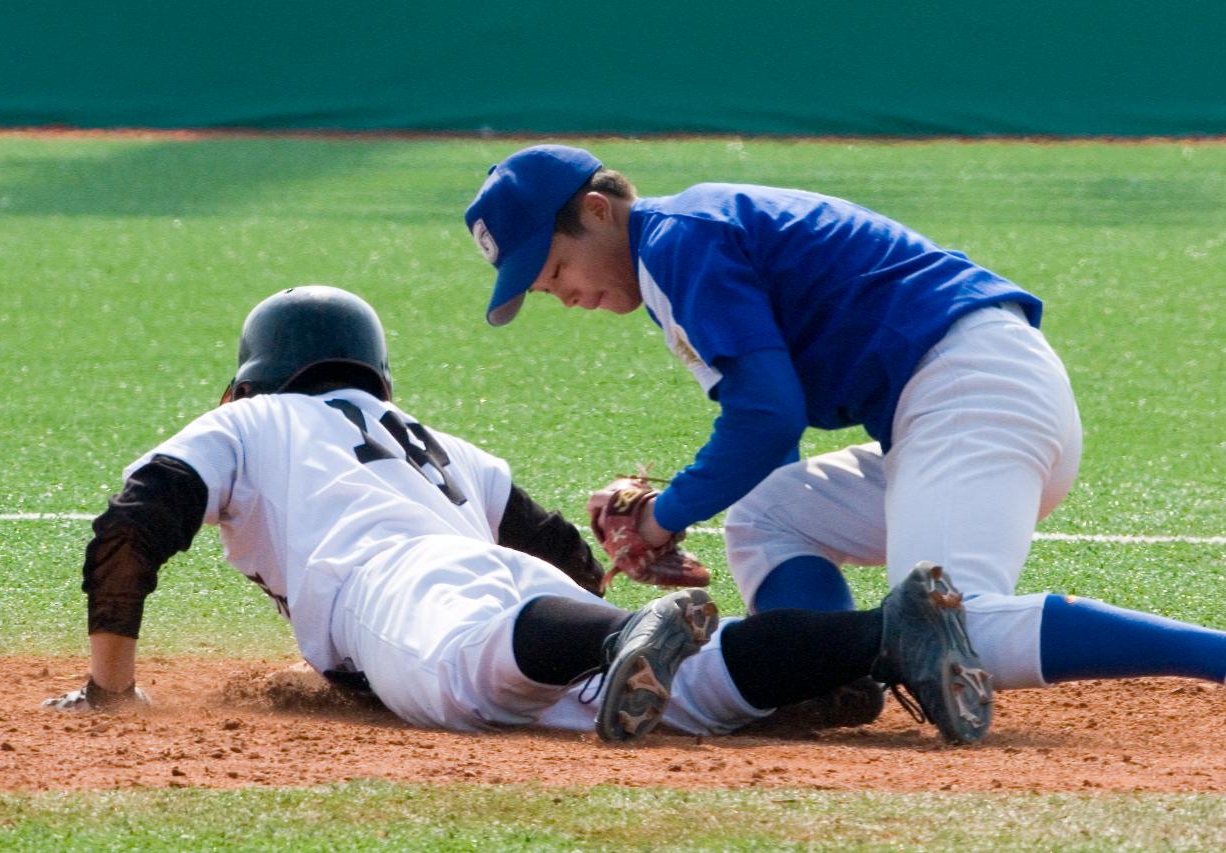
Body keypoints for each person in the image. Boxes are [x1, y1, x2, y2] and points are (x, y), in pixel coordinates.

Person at [463, 144, 1226, 729]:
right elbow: (768, 443)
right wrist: (677, 512)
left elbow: (766, 417)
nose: (561, 294)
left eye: (555, 267)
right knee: (771, 514)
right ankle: (833, 674)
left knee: (954, 632)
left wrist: (660, 520)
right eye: (542, 287)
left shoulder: (676, 241)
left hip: (971, 391)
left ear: (597, 209)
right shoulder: (675, 249)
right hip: (965, 397)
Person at [44, 284, 993, 744]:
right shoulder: (438, 439)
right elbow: (552, 550)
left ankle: (633, 634)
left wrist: (110, 687)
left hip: (405, 595)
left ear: (251, 376)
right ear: (373, 371)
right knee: (694, 697)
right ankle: (881, 632)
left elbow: (131, 528)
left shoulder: (250, 419)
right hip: (522, 593)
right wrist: (615, 593)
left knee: (474, 686)